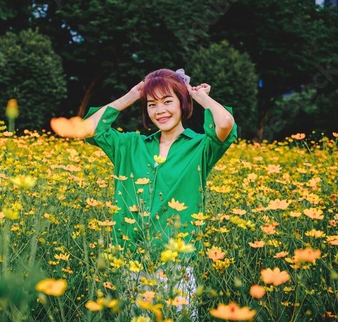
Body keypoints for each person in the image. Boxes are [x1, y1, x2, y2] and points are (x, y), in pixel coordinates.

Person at [84, 68, 237, 254]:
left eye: (167, 101)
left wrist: (198, 96)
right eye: (152, 104)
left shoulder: (201, 148)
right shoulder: (130, 145)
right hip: (127, 260)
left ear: (182, 103)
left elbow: (225, 123)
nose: (160, 111)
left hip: (177, 265)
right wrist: (130, 97)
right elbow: (88, 129)